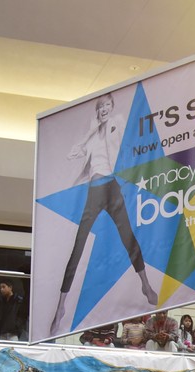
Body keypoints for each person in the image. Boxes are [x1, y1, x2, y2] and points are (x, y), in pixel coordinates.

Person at [51, 92, 157, 334]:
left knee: (128, 236)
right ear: (97, 110)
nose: (105, 109)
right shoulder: (91, 137)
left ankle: (146, 285)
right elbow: (74, 156)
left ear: (112, 107)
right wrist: (90, 133)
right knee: (78, 245)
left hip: (112, 187)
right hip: (94, 190)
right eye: (101, 106)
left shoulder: (116, 123)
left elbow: (126, 140)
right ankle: (60, 308)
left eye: (108, 105)